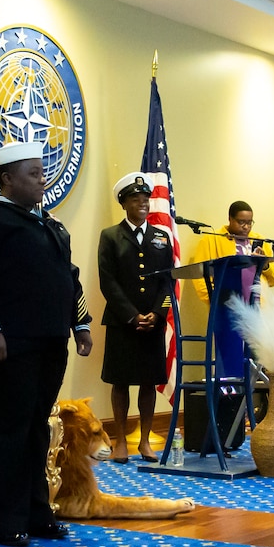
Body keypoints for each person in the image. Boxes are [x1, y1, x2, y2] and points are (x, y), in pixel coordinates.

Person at [0, 141, 94, 547]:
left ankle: (37, 512)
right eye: (33, 174)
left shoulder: (50, 225)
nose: (43, 179)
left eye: (42, 171)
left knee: (37, 429)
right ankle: (3, 520)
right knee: (7, 432)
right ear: (6, 179)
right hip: (8, 344)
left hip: (49, 344)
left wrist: (81, 323)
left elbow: (68, 278)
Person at [98, 173, 174, 463]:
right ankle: (119, 440)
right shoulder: (110, 236)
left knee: (147, 381)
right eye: (135, 200)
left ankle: (144, 441)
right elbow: (108, 282)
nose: (142, 205)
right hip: (122, 322)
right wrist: (132, 316)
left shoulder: (161, 237)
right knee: (120, 382)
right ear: (124, 204)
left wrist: (158, 313)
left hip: (152, 324)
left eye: (145, 200)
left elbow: (168, 283)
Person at [188, 200, 274, 304]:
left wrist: (265, 265)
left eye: (249, 223)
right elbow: (200, 276)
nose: (246, 227)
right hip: (226, 306)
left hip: (258, 308)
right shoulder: (211, 240)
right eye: (241, 222)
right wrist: (216, 300)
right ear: (230, 219)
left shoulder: (259, 240)